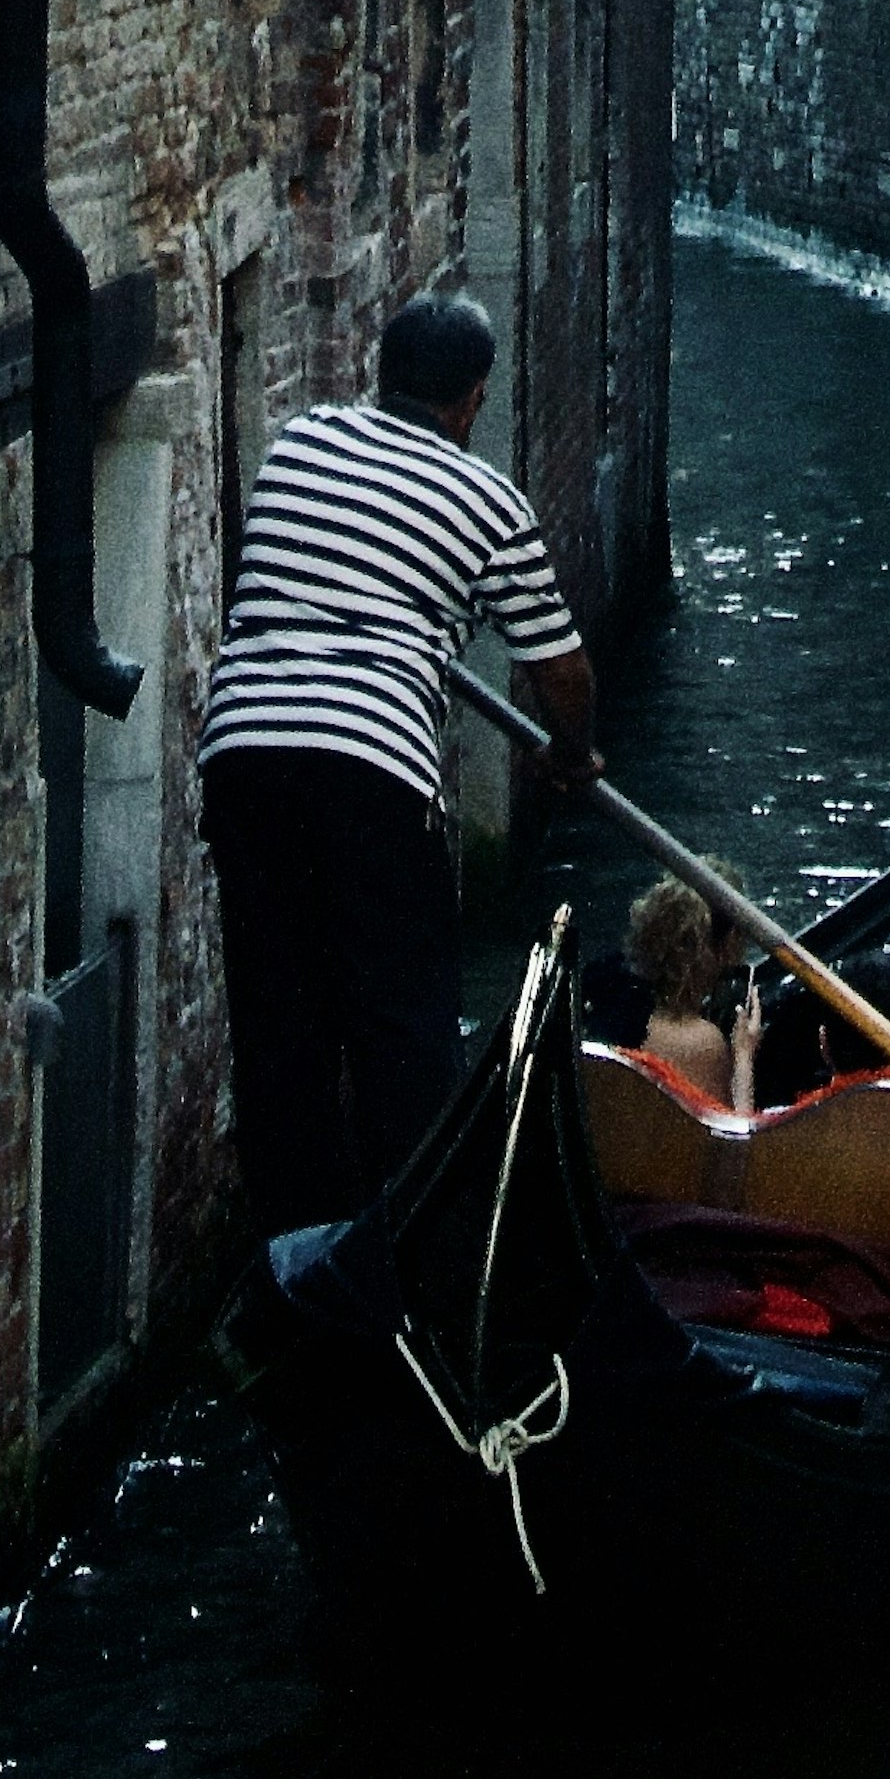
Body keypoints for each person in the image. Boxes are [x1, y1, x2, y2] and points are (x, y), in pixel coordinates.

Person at [201, 287, 599, 1239]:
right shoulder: (488, 502)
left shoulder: (298, 443)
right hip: (372, 769)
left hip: (246, 751)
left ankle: (295, 1259)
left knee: (280, 1029)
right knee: (401, 1033)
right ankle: (408, 1262)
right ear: (471, 401)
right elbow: (565, 670)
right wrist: (571, 755)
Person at [623, 873, 758, 1120]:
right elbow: (732, 1153)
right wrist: (744, 1058)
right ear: (725, 945)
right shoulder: (703, 1043)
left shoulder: (623, 1015)